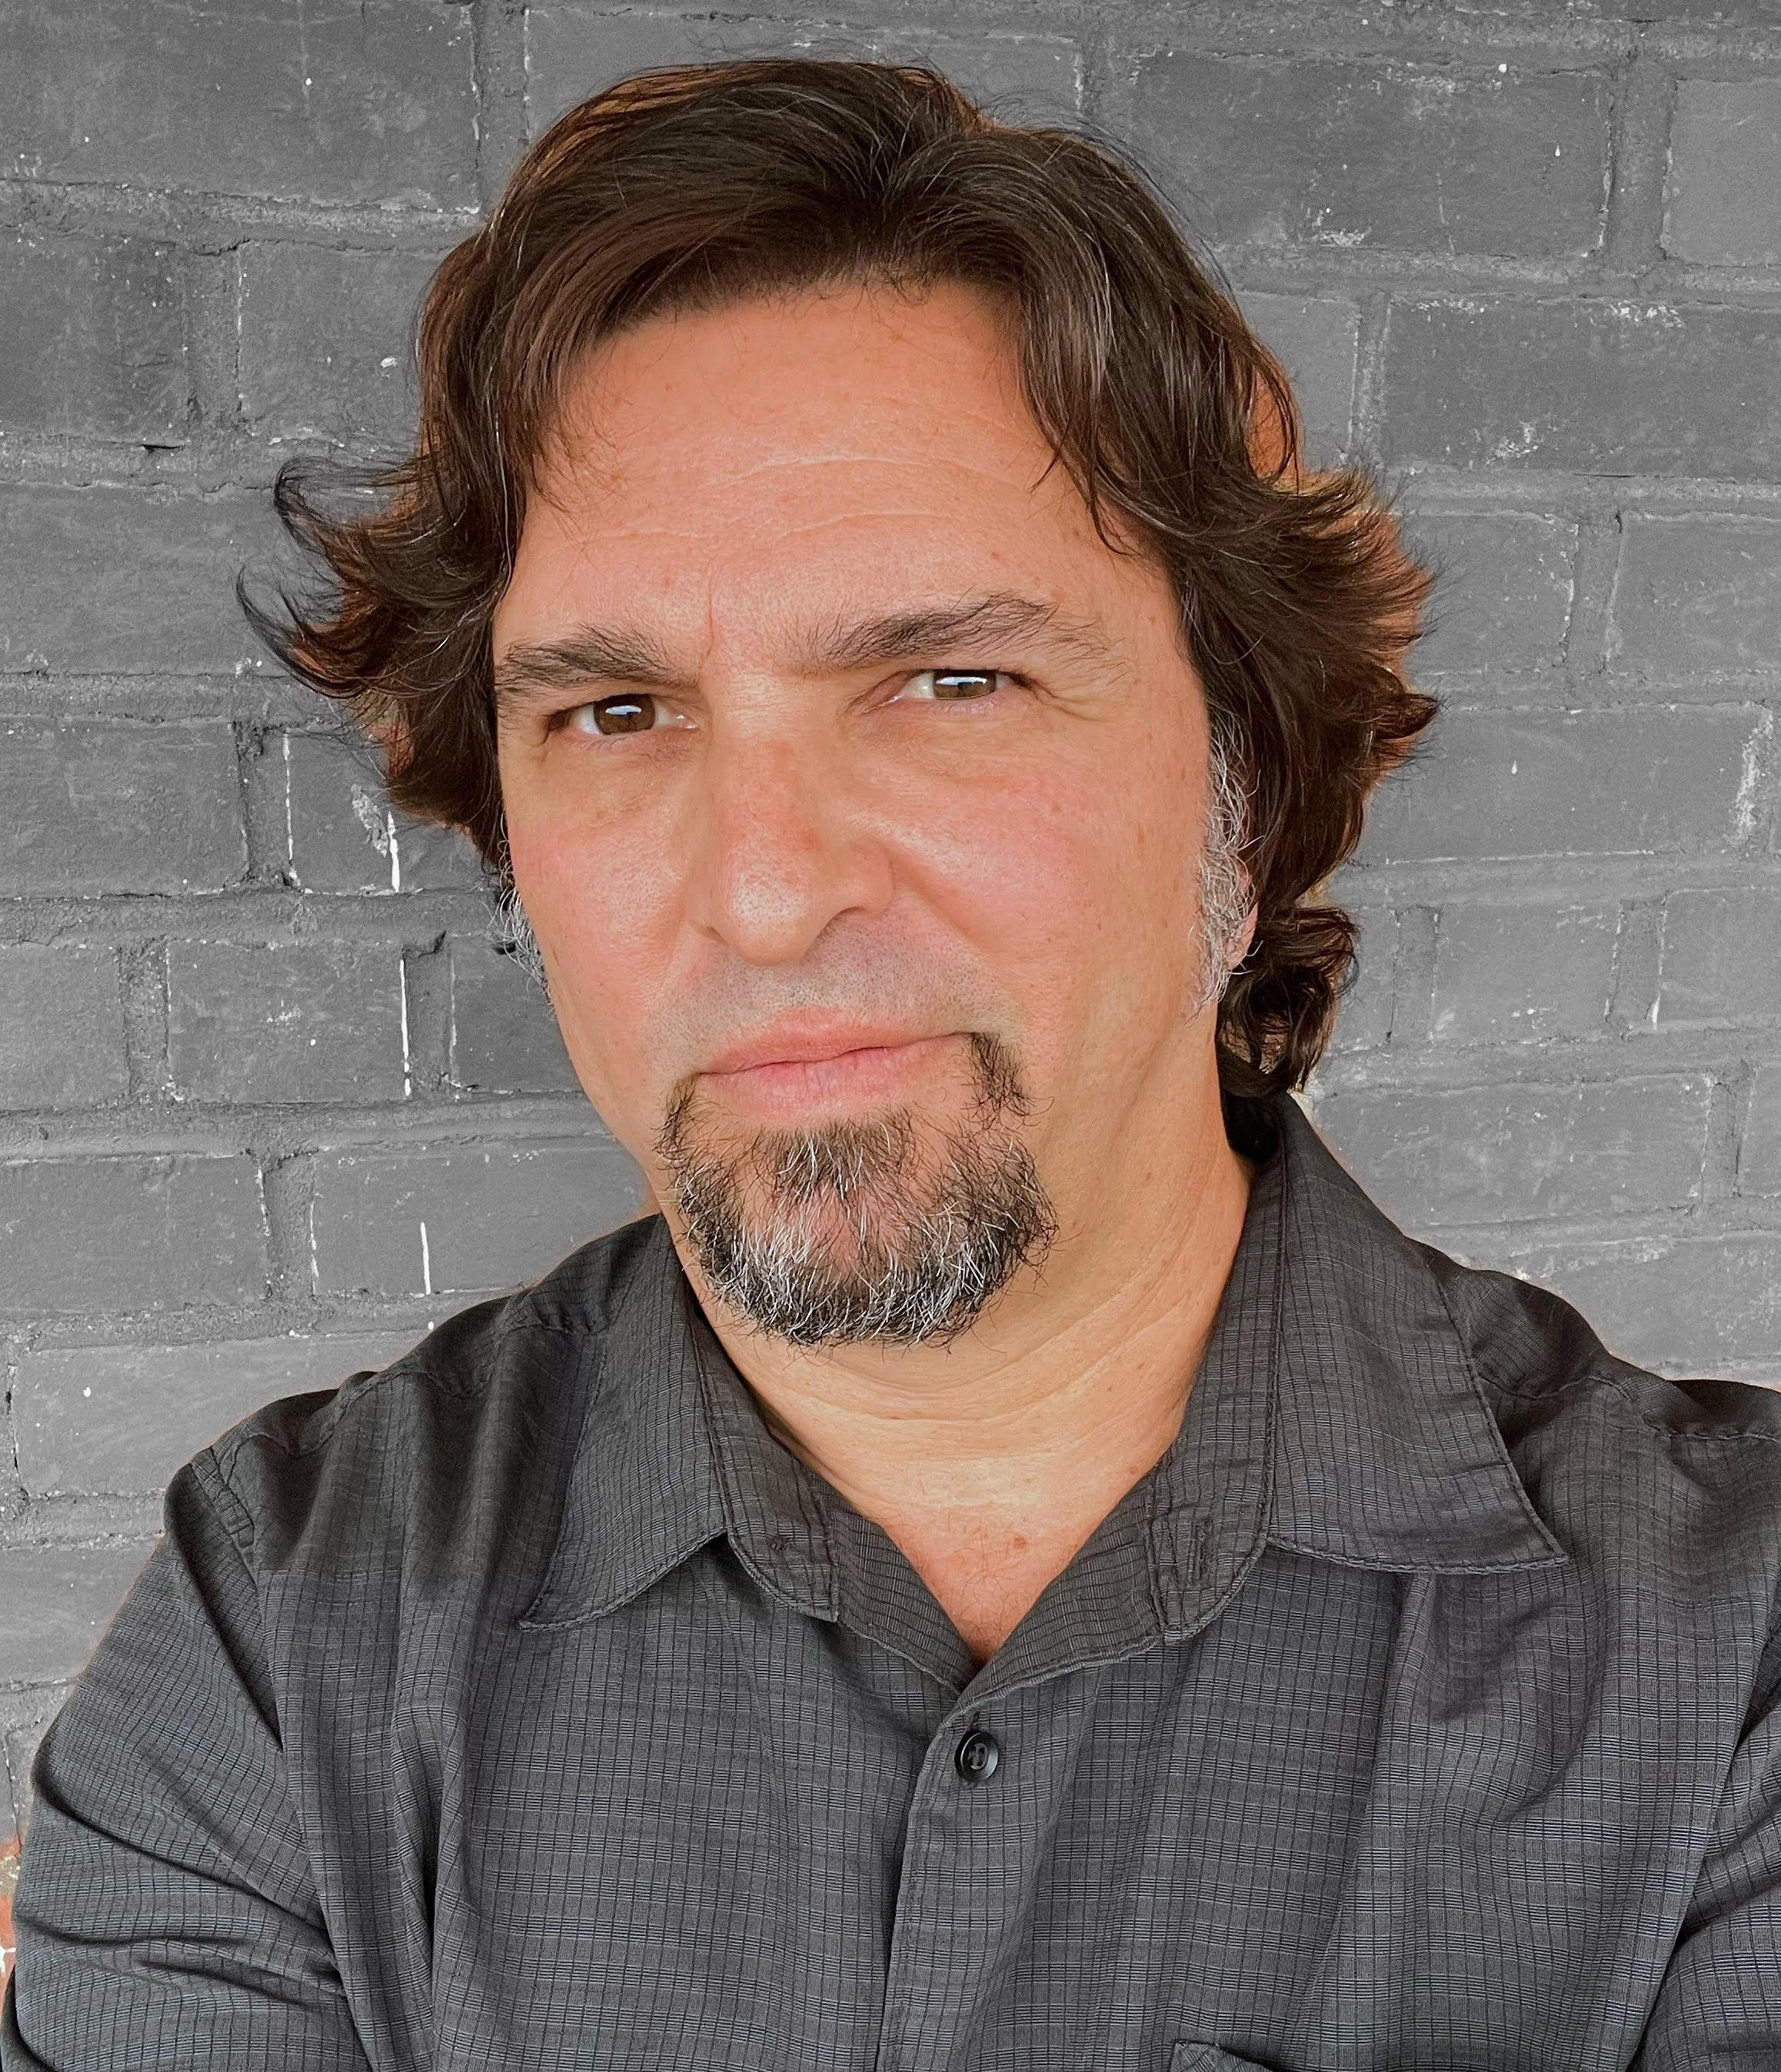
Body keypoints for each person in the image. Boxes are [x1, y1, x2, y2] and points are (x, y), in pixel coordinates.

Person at [5, 55, 1778, 2072]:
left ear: (1250, 783)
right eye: (611, 711)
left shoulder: (1724, 1669)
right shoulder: (283, 1631)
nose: (759, 893)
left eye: (949, 680)